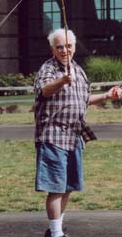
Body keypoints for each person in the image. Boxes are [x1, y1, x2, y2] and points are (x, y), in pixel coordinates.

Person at [34, 28, 120, 237]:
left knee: (68, 185)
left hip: (74, 136)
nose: (64, 50)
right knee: (56, 187)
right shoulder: (48, 69)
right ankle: (56, 234)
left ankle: (56, 229)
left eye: (68, 46)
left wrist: (106, 96)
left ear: (74, 46)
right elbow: (44, 90)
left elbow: (83, 100)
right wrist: (62, 80)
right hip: (53, 136)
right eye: (59, 47)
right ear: (52, 49)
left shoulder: (78, 70)